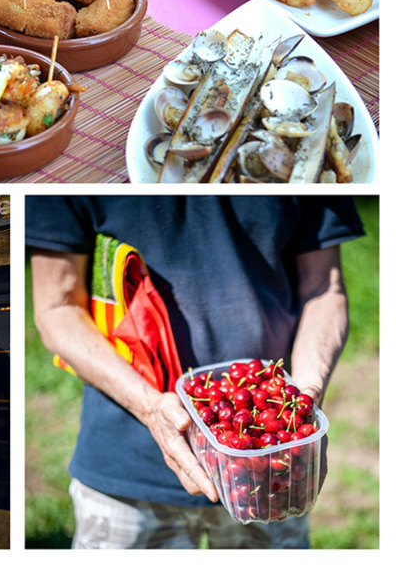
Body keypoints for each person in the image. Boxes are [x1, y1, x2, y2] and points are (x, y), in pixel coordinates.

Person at [27, 196, 363, 549]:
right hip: (127, 463)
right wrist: (149, 408)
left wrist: (306, 393)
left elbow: (323, 287)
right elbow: (56, 308)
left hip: (270, 469)